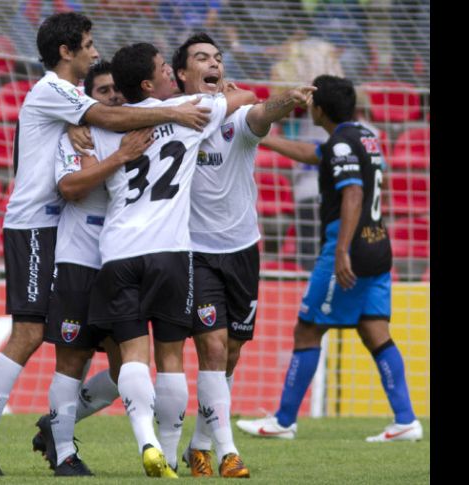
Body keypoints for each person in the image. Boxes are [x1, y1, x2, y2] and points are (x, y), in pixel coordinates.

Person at [0, 12, 212, 477]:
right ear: (66, 51)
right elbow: (93, 142)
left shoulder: (78, 105)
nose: (96, 51)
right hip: (37, 225)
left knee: (121, 366)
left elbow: (108, 115)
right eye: (89, 44)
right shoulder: (56, 93)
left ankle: (54, 429)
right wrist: (172, 112)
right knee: (34, 335)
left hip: (103, 249)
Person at [84, 41, 253, 478]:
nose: (169, 73)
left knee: (133, 356)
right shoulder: (186, 110)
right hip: (173, 254)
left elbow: (79, 176)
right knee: (172, 359)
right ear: (148, 82)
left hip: (118, 251)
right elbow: (244, 98)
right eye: (163, 68)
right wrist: (226, 95)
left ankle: (147, 442)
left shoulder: (101, 126)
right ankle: (173, 453)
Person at [235, 75, 422, 443]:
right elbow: (315, 155)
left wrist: (340, 252)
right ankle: (405, 420)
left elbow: (352, 192)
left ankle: (284, 420)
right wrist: (265, 137)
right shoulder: (365, 137)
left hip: (347, 247)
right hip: (378, 245)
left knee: (307, 328)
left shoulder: (340, 144)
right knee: (375, 330)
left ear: (319, 109)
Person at [170, 32, 315, 477]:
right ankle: (229, 451)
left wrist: (285, 101)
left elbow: (262, 113)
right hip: (196, 252)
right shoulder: (173, 120)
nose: (213, 63)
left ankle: (198, 444)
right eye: (201, 58)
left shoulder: (237, 119)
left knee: (230, 353)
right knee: (212, 348)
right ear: (182, 74)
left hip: (243, 251)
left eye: (217, 57)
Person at [32, 61, 155, 476]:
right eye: (103, 91)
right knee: (72, 358)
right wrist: (120, 155)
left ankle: (56, 425)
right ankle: (64, 452)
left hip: (123, 262)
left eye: (117, 90)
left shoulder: (142, 133)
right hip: (80, 261)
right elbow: (69, 187)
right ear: (89, 99)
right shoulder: (79, 137)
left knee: (128, 370)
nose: (114, 97)